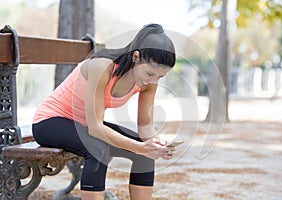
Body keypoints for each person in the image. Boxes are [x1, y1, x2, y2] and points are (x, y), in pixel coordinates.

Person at [32, 24, 176, 200]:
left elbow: (145, 127)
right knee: (97, 149)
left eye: (160, 77)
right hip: (50, 121)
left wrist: (155, 144)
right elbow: (96, 128)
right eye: (149, 73)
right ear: (136, 57)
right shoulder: (102, 66)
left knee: (145, 156)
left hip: (83, 124)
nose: (152, 81)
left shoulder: (148, 83)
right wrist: (140, 147)